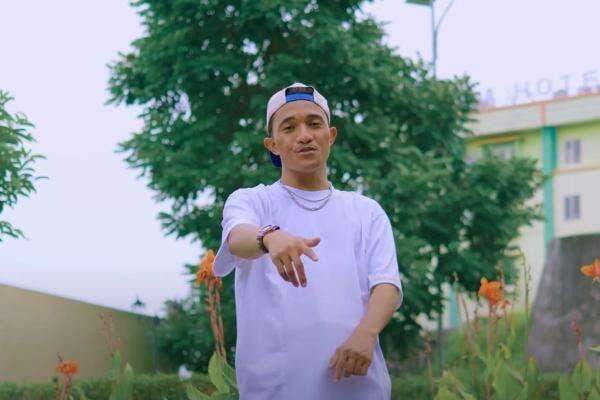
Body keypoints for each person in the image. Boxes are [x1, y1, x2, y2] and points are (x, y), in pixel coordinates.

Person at [213, 82, 403, 400]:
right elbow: (237, 238)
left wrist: (367, 334)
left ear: (331, 135)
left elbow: (387, 284)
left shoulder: (366, 211)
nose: (304, 135)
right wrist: (268, 237)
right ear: (272, 144)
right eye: (289, 127)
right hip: (274, 390)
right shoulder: (253, 201)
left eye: (314, 124)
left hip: (359, 388)